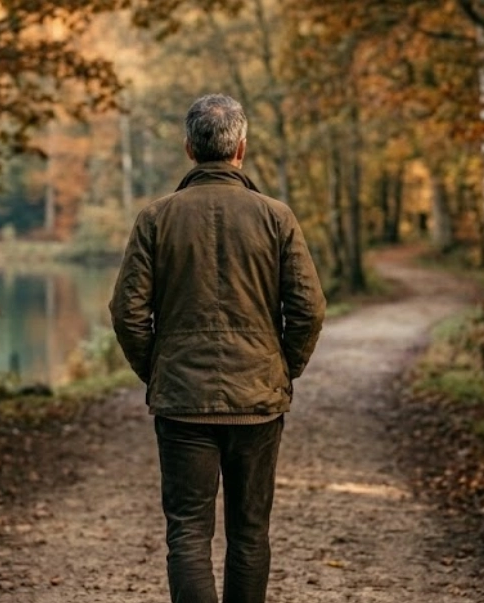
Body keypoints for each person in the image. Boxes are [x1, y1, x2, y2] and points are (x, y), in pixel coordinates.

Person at [109, 93, 326, 603]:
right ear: (241, 149)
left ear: (189, 148)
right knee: (250, 533)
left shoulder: (155, 218)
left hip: (183, 400)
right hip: (257, 400)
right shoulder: (277, 217)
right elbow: (309, 309)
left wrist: (159, 370)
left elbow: (127, 312)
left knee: (188, 532)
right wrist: (280, 368)